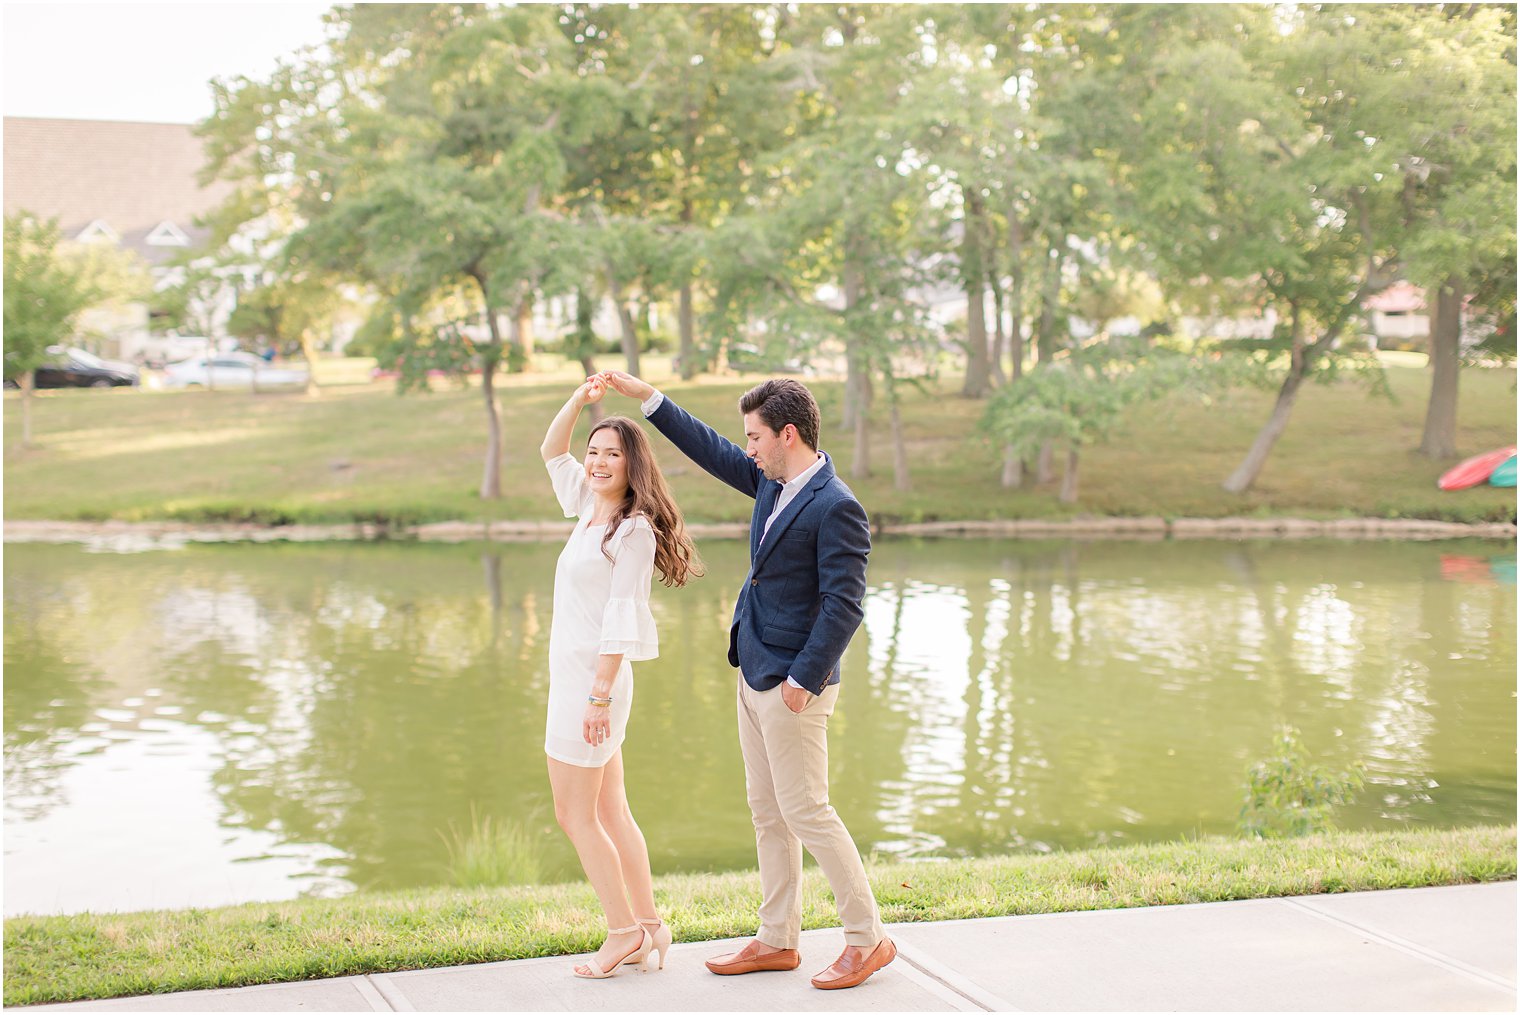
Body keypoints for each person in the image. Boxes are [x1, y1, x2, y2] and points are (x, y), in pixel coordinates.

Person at [601, 370, 896, 991]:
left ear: (788, 434)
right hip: (754, 667)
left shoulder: (837, 506)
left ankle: (867, 939)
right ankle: (777, 939)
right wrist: (646, 398)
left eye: (755, 437)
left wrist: (802, 680)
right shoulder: (771, 480)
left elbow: (845, 604)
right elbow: (708, 448)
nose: (748, 448)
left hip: (794, 684)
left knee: (807, 809)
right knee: (768, 812)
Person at [538, 374, 702, 979]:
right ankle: (651, 926)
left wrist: (598, 697)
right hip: (578, 684)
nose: (599, 461)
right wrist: (580, 403)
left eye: (614, 454)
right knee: (610, 810)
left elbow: (621, 615)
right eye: (596, 451)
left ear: (635, 466)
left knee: (574, 816)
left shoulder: (629, 529)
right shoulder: (588, 505)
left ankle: (622, 932)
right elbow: (552, 450)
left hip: (593, 687)